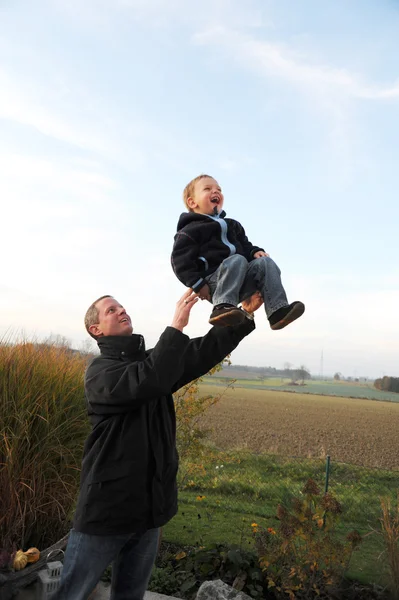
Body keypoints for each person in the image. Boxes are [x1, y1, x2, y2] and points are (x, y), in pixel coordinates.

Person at [55, 289, 260, 600]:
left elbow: (201, 352)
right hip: (107, 509)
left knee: (131, 595)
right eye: (111, 310)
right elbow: (148, 379)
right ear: (95, 330)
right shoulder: (99, 373)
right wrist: (176, 326)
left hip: (149, 509)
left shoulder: (154, 362)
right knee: (72, 593)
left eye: (122, 306)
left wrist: (243, 313)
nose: (121, 310)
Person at [171, 174, 305, 329]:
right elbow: (180, 260)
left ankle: (277, 311)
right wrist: (198, 284)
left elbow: (245, 245)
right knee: (237, 259)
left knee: (265, 262)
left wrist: (255, 251)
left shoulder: (233, 225)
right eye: (207, 189)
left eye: (218, 189)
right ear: (192, 202)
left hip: (241, 280)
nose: (216, 192)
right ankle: (222, 308)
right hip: (215, 284)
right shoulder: (190, 230)